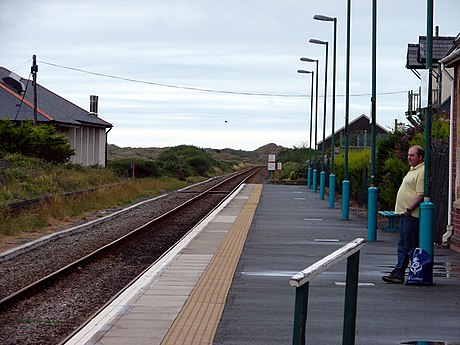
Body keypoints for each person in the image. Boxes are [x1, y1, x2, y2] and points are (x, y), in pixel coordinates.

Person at [382, 145, 425, 284]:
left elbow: (420, 194)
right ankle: (399, 272)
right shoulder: (412, 170)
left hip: (411, 215)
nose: (409, 158)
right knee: (402, 244)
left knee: (410, 245)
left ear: (420, 157)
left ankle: (415, 273)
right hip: (405, 214)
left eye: (412, 155)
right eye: (408, 155)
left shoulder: (422, 171)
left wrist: (408, 209)